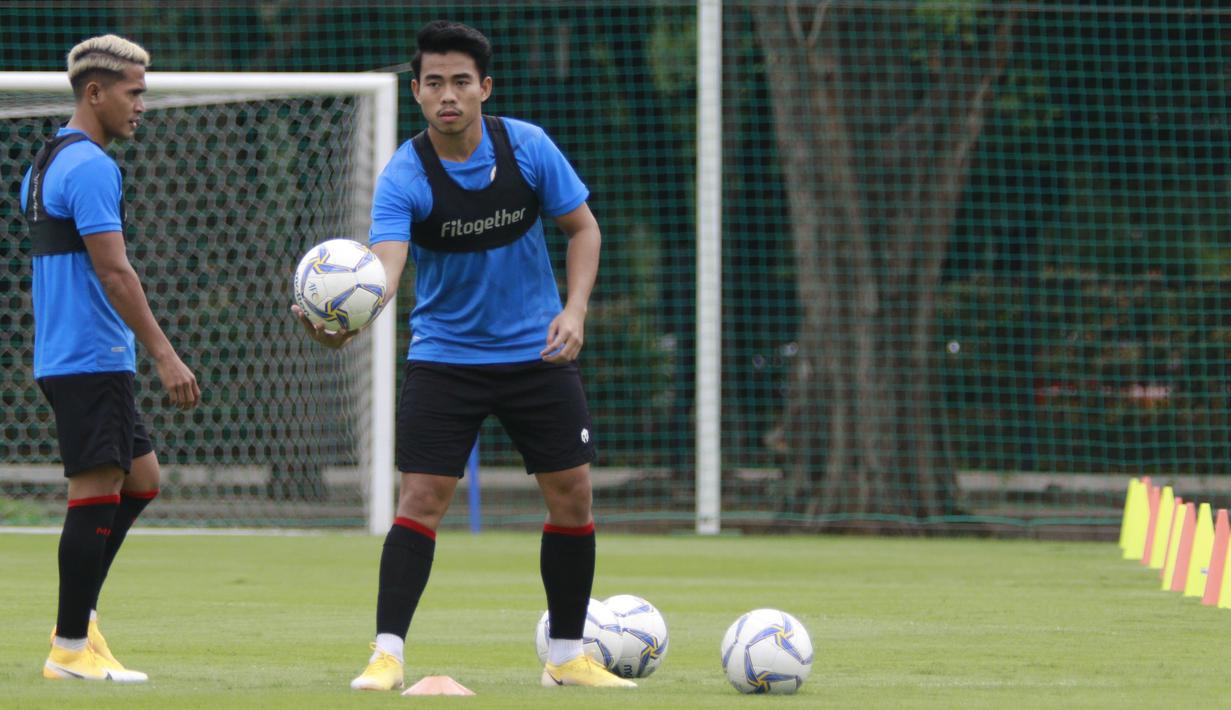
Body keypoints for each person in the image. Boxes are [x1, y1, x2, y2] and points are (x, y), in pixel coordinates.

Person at [294, 20, 634, 691]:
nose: (447, 94)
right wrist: (347, 321)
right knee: (420, 498)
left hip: (537, 353)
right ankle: (386, 655)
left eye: (460, 82)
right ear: (416, 92)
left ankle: (566, 656)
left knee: (572, 496)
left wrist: (575, 309)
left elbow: (583, 228)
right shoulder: (404, 175)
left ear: (484, 87)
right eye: (433, 83)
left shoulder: (527, 147)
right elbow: (384, 272)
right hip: (446, 357)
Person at [20, 34, 201, 682]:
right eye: (134, 92)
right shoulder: (94, 166)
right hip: (90, 358)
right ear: (94, 93)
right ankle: (69, 646)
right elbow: (115, 272)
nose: (142, 105)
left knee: (142, 479)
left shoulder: (44, 162)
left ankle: (81, 620)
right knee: (94, 491)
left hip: (71, 355)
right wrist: (165, 355)